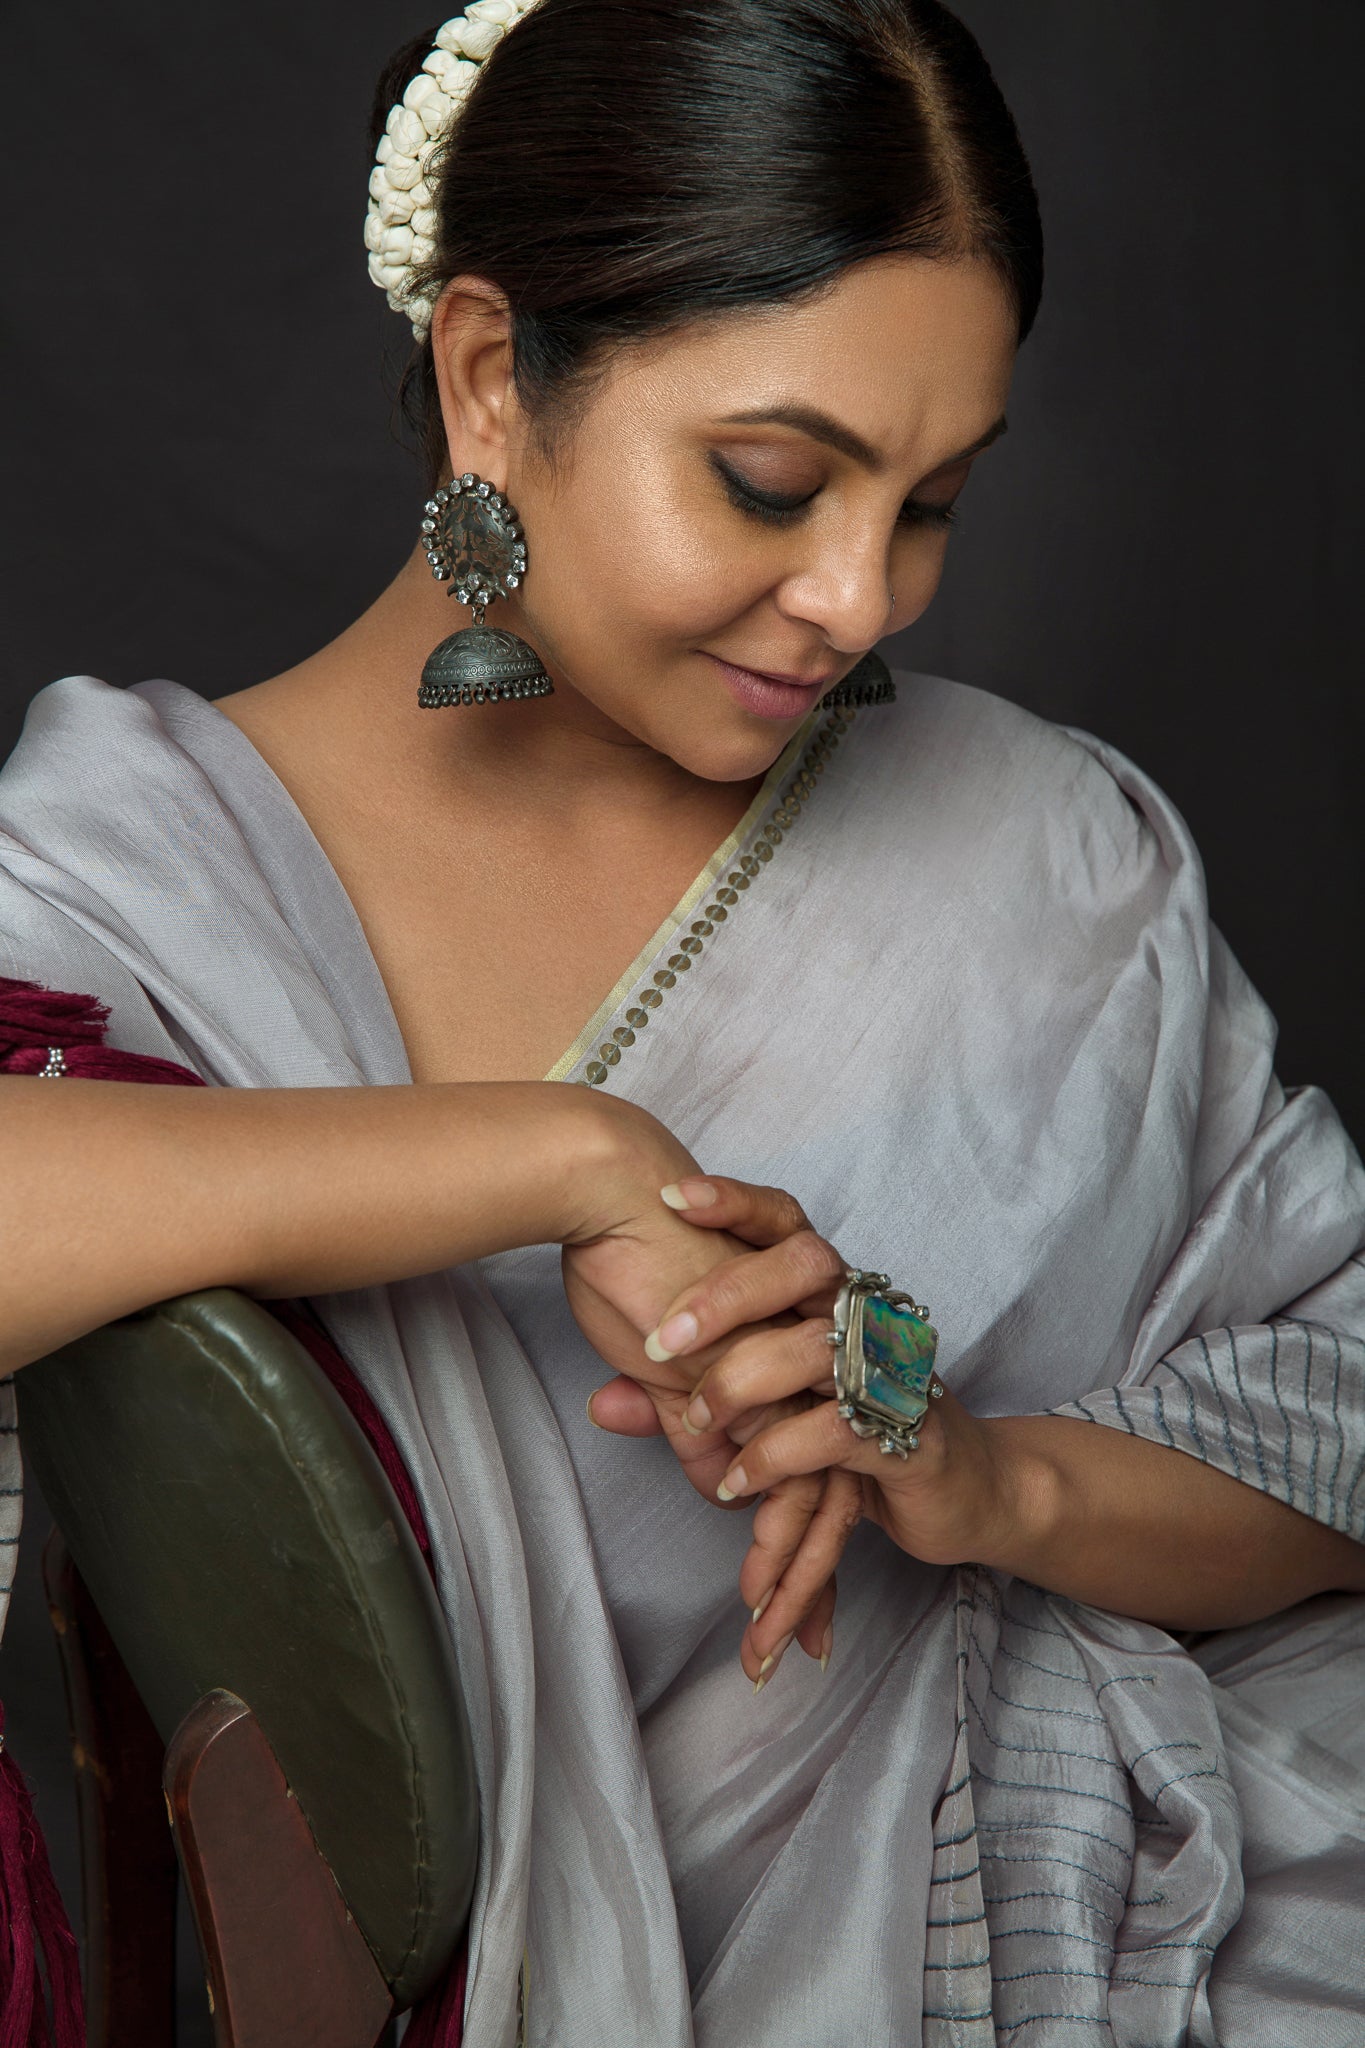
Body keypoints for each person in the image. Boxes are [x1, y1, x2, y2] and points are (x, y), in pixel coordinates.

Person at [1, 1, 1362, 2041]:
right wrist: (575, 1161)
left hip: (1143, 1919)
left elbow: (1330, 1435)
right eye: (768, 480)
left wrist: (982, 1481)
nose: (860, 598)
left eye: (928, 504)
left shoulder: (1048, 853)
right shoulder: (144, 862)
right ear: (487, 377)